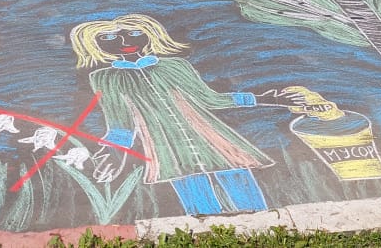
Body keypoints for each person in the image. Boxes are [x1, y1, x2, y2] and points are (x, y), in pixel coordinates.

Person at [69, 14, 305, 216]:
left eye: (133, 33)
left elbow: (210, 99)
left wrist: (265, 98)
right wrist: (115, 151)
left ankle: (264, 227)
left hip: (211, 136)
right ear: (95, 45)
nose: (124, 41)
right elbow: (120, 120)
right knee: (196, 196)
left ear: (149, 35)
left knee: (237, 178)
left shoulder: (175, 65)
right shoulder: (105, 78)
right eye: (109, 38)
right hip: (166, 144)